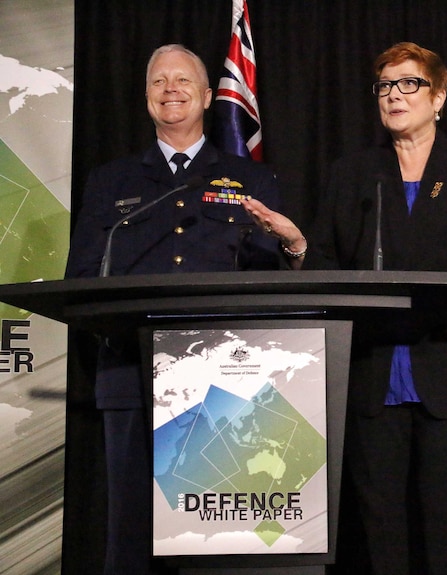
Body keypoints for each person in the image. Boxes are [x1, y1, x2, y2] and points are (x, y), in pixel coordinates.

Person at [241, 41, 447, 575]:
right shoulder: (353, 174)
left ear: (439, 95)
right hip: (372, 379)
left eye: (409, 83)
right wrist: (298, 246)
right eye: (385, 86)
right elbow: (329, 271)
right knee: (380, 538)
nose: (394, 95)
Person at [65, 44, 296, 574]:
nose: (171, 89)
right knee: (131, 538)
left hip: (226, 387)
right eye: (159, 81)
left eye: (183, 80)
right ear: (146, 98)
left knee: (220, 540)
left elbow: (271, 280)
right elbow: (81, 277)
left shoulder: (252, 179)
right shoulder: (111, 181)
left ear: (209, 96)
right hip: (130, 373)